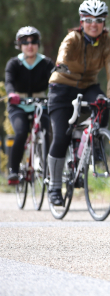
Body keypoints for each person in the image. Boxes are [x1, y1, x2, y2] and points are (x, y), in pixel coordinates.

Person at [46, 0, 110, 206]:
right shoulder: (73, 38)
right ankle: (54, 187)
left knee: (102, 103)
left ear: (104, 22)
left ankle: (96, 143)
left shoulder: (107, 42)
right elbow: (64, 53)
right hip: (62, 87)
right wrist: (61, 65)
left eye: (98, 20)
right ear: (82, 21)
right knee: (61, 135)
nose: (94, 24)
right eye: (89, 20)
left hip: (88, 86)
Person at [4, 27, 55, 185]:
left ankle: (48, 171)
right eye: (25, 42)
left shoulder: (46, 63)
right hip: (18, 105)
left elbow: (55, 80)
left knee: (46, 134)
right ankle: (13, 171)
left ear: (38, 44)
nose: (29, 45)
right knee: (21, 132)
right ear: (19, 45)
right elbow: (9, 81)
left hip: (41, 105)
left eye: (33, 41)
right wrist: (12, 94)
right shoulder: (14, 63)